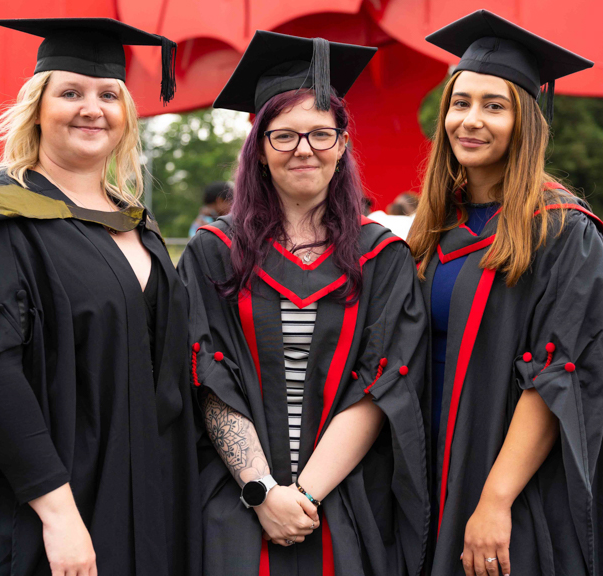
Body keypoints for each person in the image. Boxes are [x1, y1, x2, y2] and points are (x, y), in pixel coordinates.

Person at [0, 18, 200, 576]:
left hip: (135, 495)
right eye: (70, 92)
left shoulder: (138, 224)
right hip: (38, 509)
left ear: (127, 114)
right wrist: (58, 512)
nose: (92, 108)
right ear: (37, 108)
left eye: (109, 94)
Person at [179, 30, 429, 575]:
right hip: (237, 498)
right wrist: (263, 491)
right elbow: (206, 374)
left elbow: (380, 383)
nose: (304, 149)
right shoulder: (213, 253)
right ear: (260, 149)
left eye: (321, 134)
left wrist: (305, 496)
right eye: (284, 136)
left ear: (341, 146)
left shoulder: (382, 257)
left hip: (345, 501)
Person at [409, 10, 603, 576]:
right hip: (428, 465)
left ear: (526, 121)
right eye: (461, 103)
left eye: (494, 105)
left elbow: (559, 375)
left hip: (510, 482)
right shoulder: (435, 228)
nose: (471, 120)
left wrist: (495, 500)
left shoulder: (563, 231)